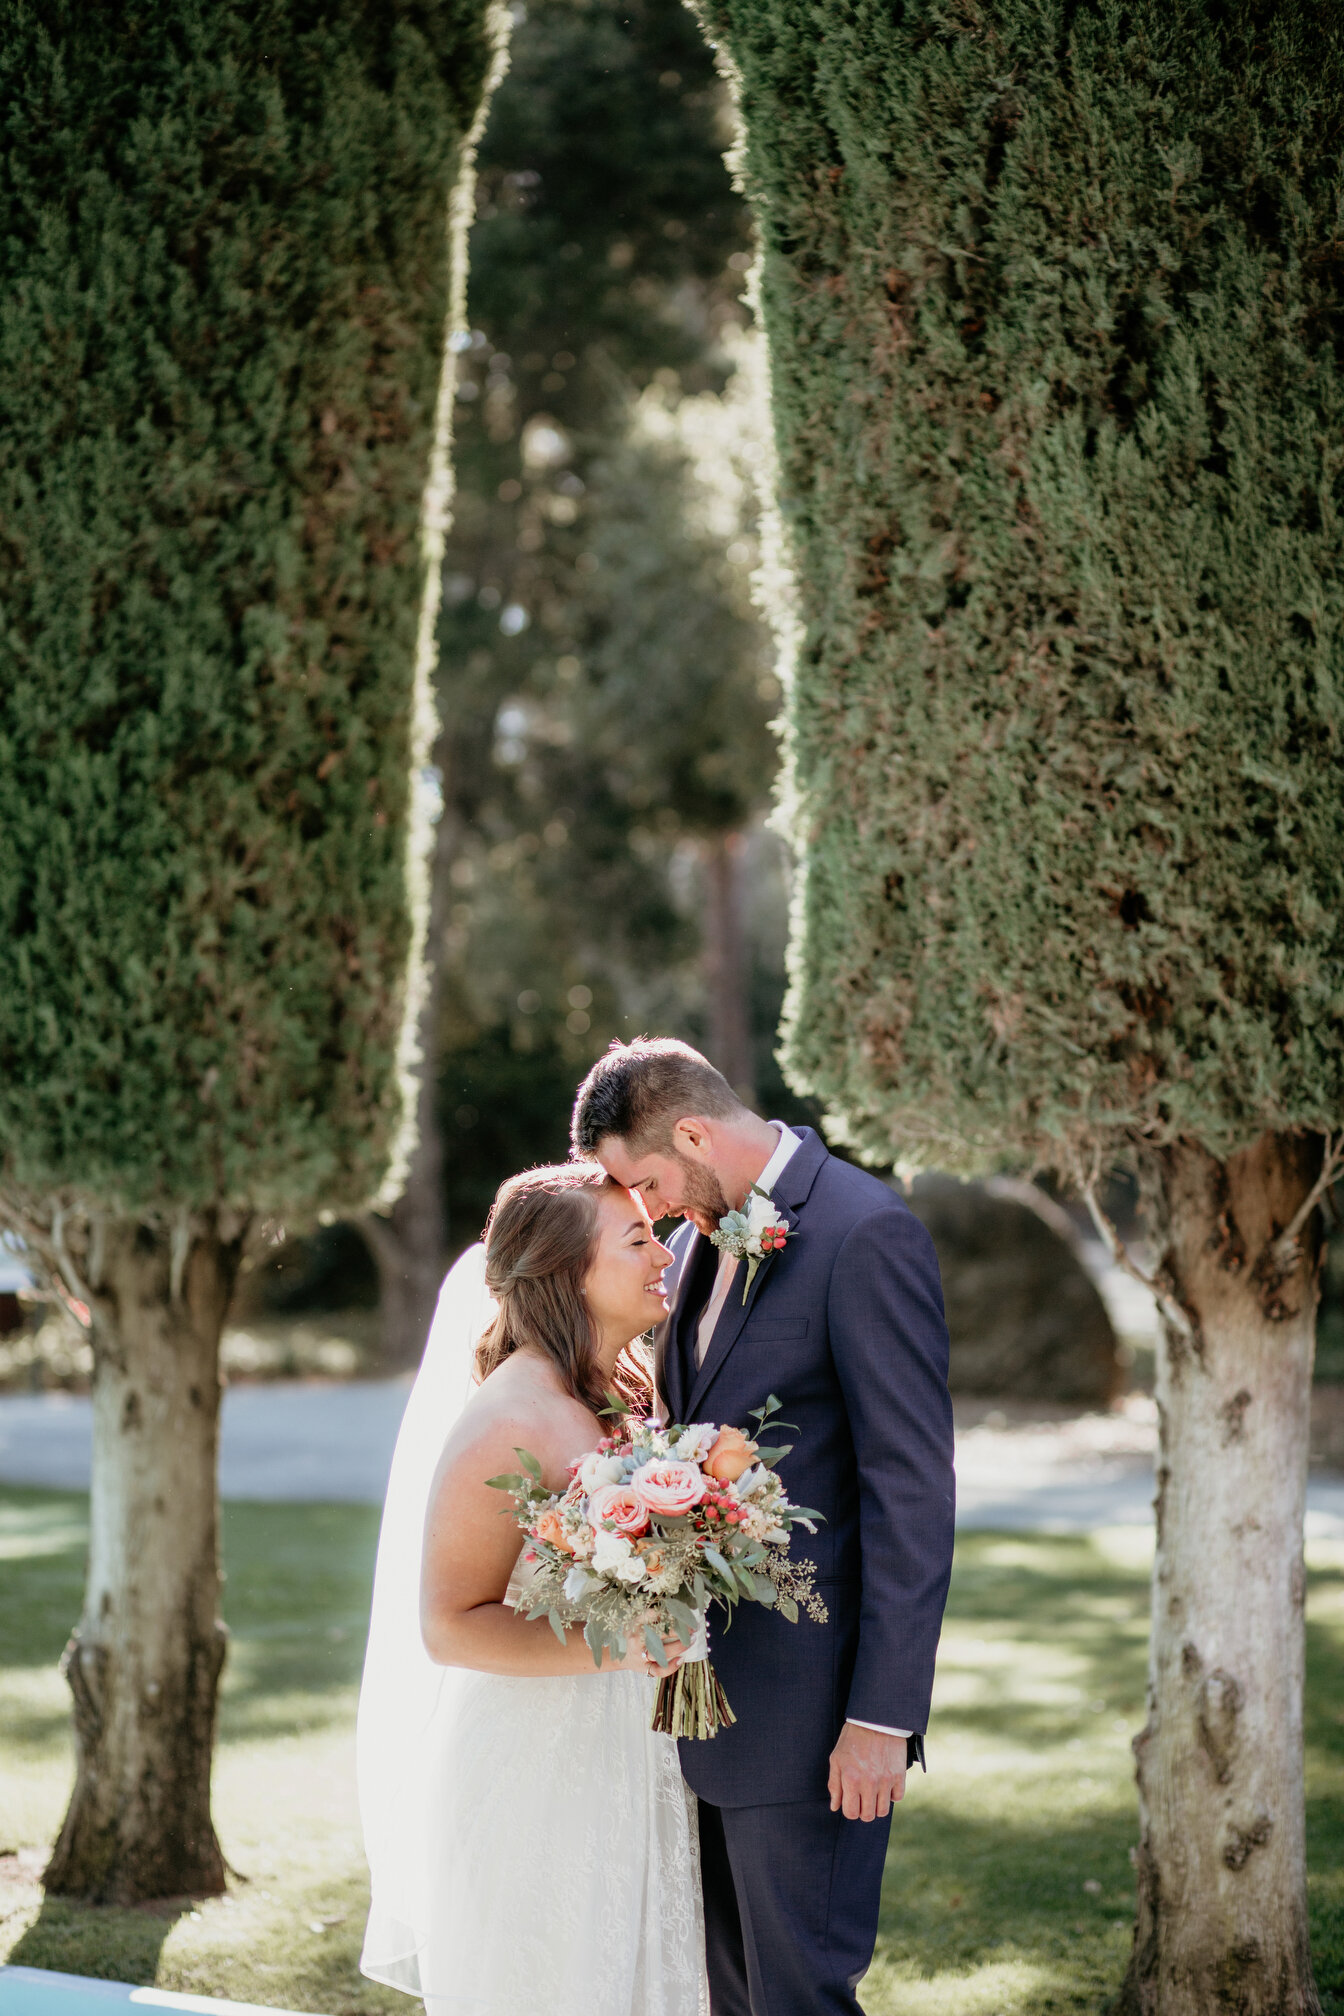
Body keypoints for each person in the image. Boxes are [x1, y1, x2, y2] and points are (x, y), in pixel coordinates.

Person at [572, 1038, 956, 2016]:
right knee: (731, 1997)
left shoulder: (865, 1234)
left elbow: (909, 1491)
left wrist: (882, 1717)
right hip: (700, 1711)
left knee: (800, 1998)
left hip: (814, 1721)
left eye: (647, 1180)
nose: (648, 1212)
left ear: (694, 1131)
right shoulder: (699, 1241)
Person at [356, 1161, 710, 2016]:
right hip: (535, 1777)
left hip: (626, 1753)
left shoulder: (622, 1390)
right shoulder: (510, 1418)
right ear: (568, 1272)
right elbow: (447, 1625)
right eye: (636, 1239)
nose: (663, 1255)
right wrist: (616, 1644)